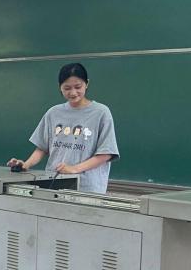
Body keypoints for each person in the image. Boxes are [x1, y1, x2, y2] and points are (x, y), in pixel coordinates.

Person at [7, 62, 119, 194]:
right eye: (67, 88)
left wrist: (74, 169)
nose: (73, 92)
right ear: (59, 87)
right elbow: (42, 147)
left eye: (78, 87)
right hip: (53, 184)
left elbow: (106, 153)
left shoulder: (101, 112)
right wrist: (25, 165)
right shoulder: (53, 113)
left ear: (87, 83)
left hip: (87, 188)